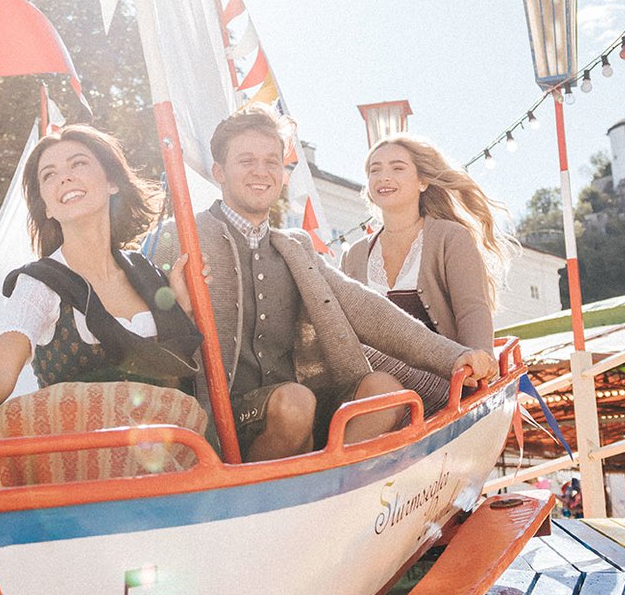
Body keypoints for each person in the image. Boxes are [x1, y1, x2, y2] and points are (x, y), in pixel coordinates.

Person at [189, 105, 498, 461]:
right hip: (229, 415)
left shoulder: (294, 246)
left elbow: (371, 311)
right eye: (246, 161)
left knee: (382, 389)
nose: (262, 172)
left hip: (307, 403)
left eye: (272, 162)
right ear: (219, 172)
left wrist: (459, 356)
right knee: (295, 402)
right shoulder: (186, 235)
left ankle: (334, 493)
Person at [0, 125, 202, 456]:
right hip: (82, 471)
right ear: (47, 206)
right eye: (49, 175)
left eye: (78, 164)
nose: (64, 178)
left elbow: (179, 371)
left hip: (168, 465)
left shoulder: (148, 273)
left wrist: (183, 309)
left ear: (112, 182)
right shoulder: (39, 283)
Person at [342, 135, 517, 414]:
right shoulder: (354, 254)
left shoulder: (450, 237)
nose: (384, 177)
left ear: (423, 182)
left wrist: (479, 361)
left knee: (371, 372)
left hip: (440, 382)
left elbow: (471, 309)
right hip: (373, 384)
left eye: (397, 168)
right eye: (375, 170)